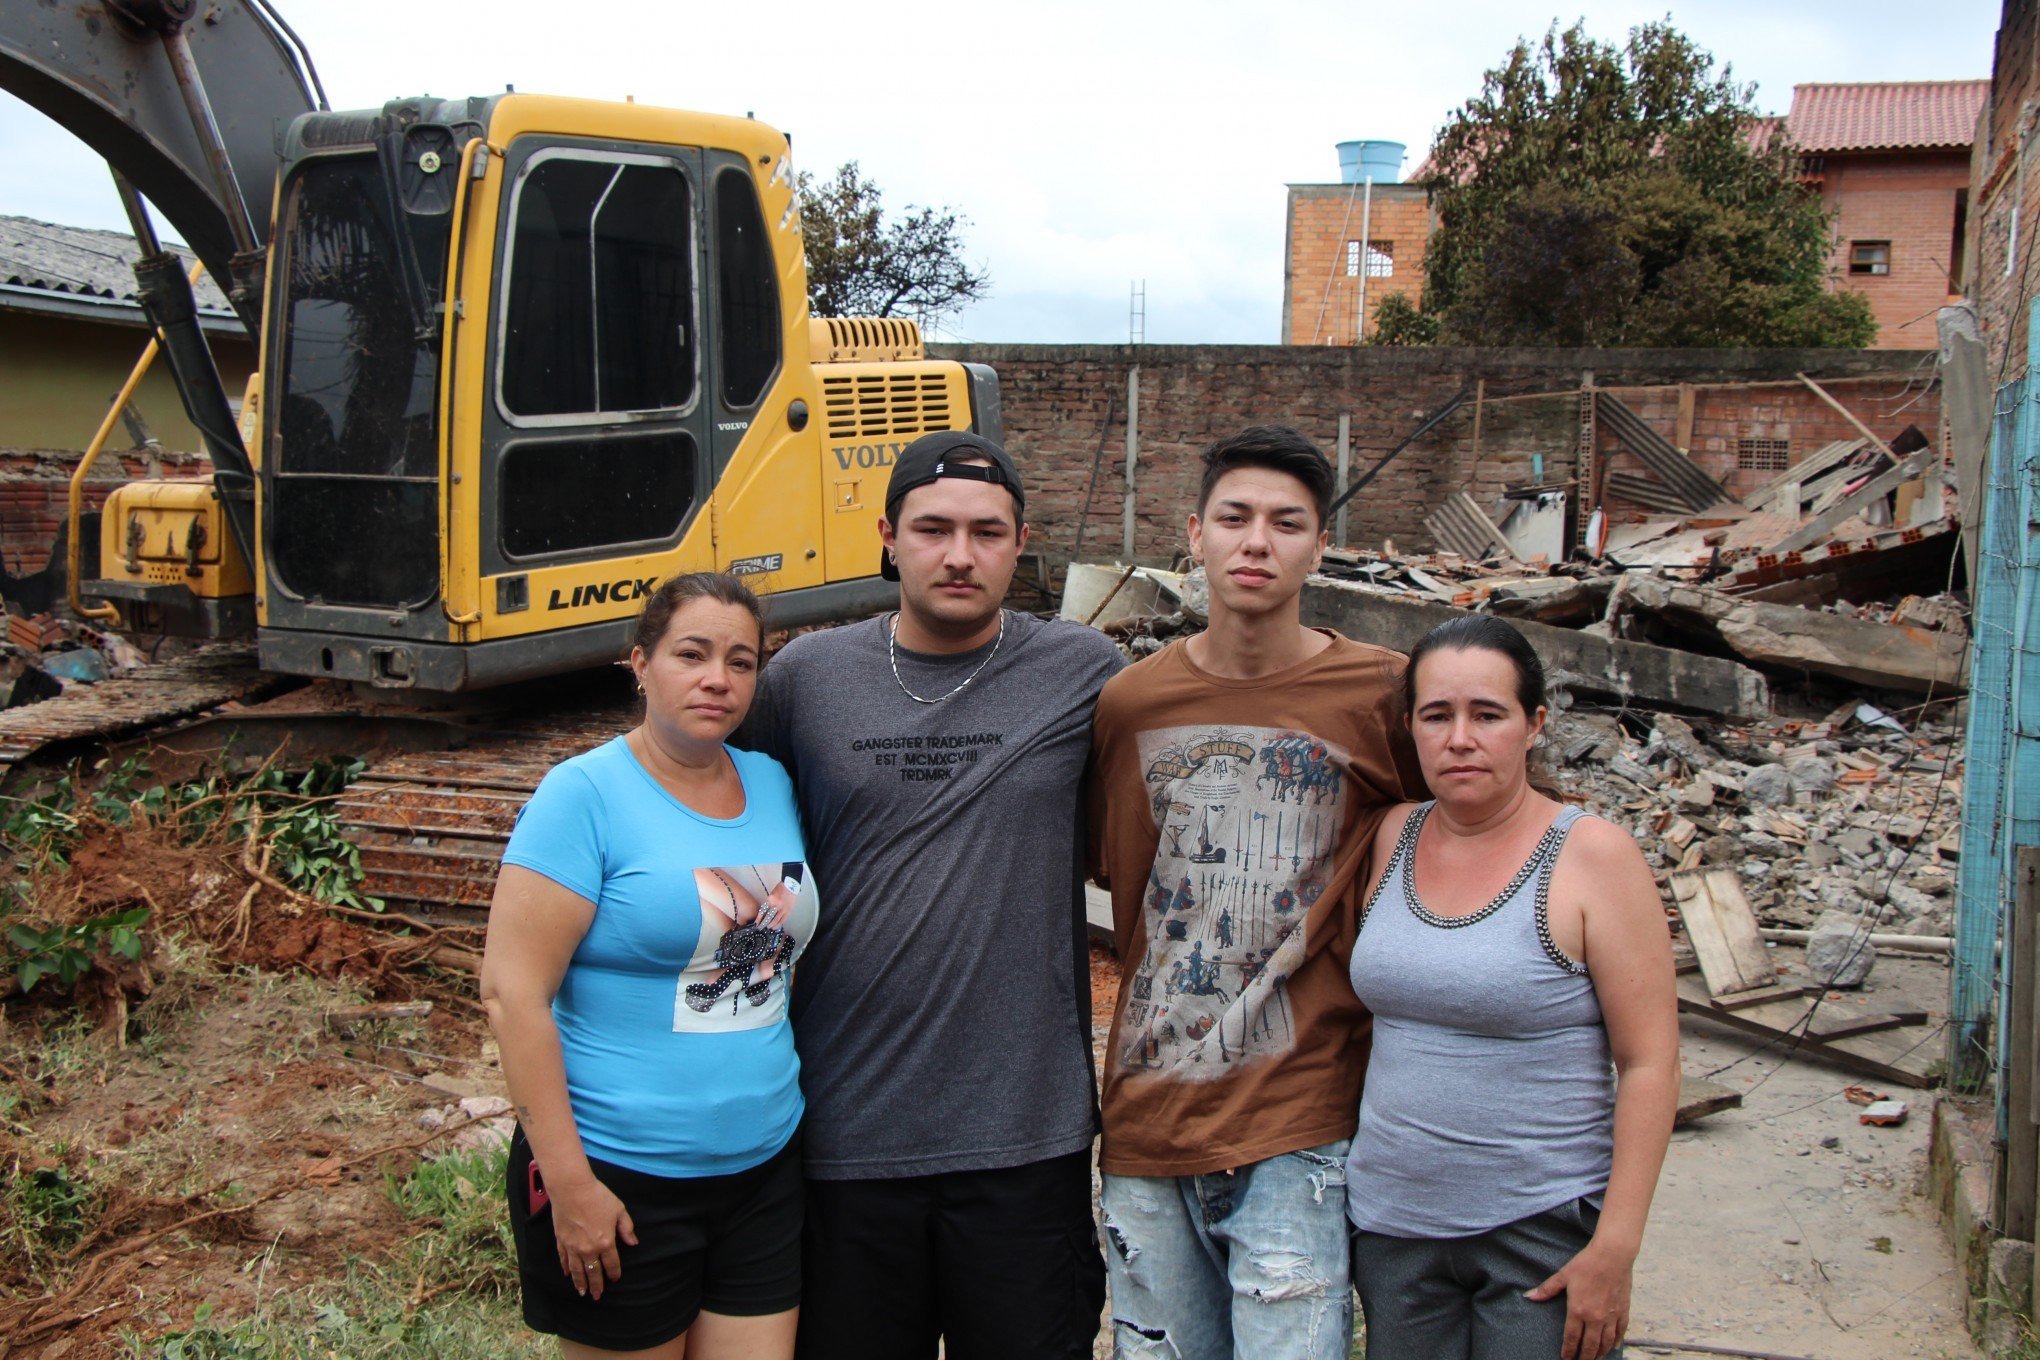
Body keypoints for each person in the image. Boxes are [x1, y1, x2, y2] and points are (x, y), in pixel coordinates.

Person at [740, 429, 1123, 1360]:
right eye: (934, 529)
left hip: (1026, 1140)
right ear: (887, 534)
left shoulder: (1087, 673)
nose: (961, 555)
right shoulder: (805, 680)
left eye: (988, 532)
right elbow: (717, 826)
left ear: (1021, 542)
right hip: (844, 1130)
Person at [1087, 424, 1425, 1360]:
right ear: (1193, 534)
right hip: (1147, 1121)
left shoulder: (1384, 694)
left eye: (1287, 522)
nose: (1256, 541)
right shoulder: (1130, 705)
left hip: (1301, 1119)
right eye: (1234, 518)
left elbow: (1466, 842)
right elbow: (1124, 879)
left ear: (1321, 546)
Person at [480, 573, 816, 1360]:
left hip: (764, 1169)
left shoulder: (769, 782)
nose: (717, 679)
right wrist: (569, 1187)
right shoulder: (583, 795)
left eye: (741, 661)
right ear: (640, 663)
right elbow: (512, 995)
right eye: (690, 654)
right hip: (622, 1177)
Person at [1345, 615, 1679, 1360]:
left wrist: (1615, 1247)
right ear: (1411, 727)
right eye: (1437, 715)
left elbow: (1651, 1063)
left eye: (1487, 714)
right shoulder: (1392, 835)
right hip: (1394, 1228)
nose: (1460, 738)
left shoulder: (1592, 856)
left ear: (1534, 725)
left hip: (1541, 1230)